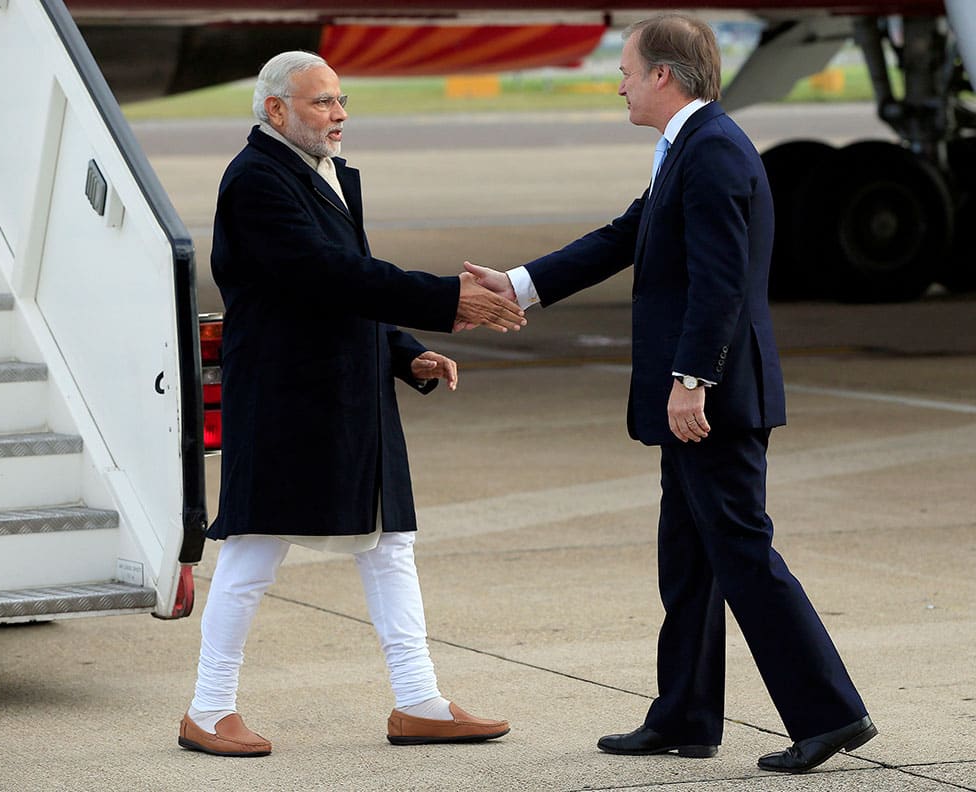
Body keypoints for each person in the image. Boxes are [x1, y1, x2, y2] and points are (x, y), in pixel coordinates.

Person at [464, 14, 875, 774]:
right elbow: (625, 236)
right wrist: (519, 283)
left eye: (625, 67)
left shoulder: (712, 152)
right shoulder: (688, 148)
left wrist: (693, 380)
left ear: (662, 75)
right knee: (687, 560)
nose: (617, 80)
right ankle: (686, 714)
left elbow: (720, 282)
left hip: (713, 400)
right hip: (700, 396)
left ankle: (831, 714)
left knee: (744, 553)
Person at [178, 50, 519, 757]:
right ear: (276, 111)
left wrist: (404, 352)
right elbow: (328, 274)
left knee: (391, 546)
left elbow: (349, 287)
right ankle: (208, 711)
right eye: (322, 103)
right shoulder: (256, 182)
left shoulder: (319, 174)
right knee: (250, 555)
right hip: (286, 402)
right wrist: (448, 298)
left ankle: (419, 700)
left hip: (347, 398)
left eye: (340, 101)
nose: (339, 116)